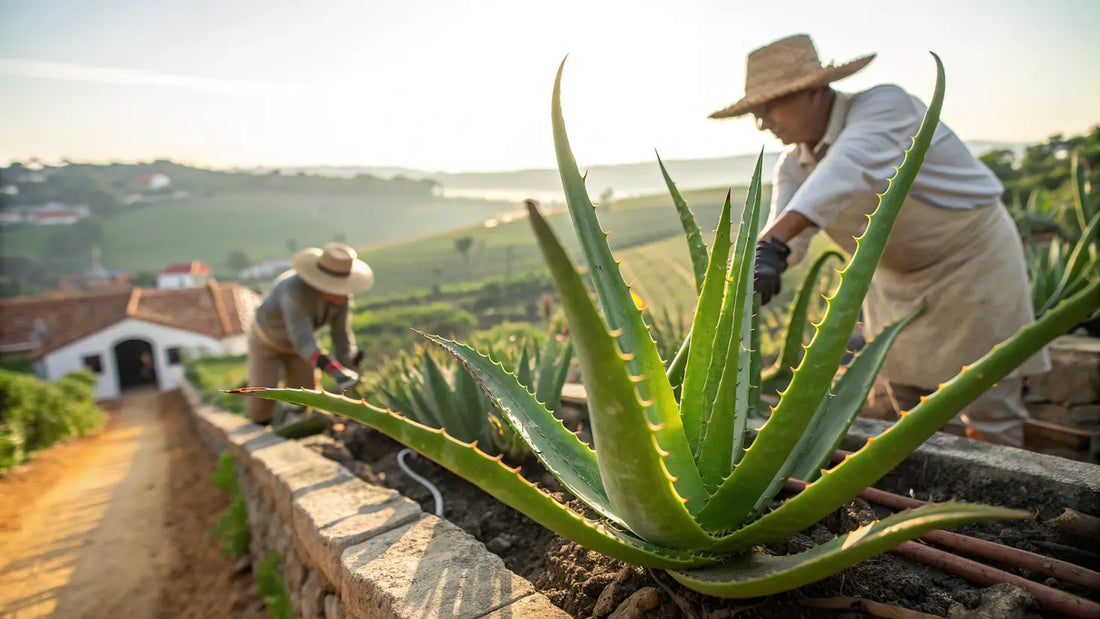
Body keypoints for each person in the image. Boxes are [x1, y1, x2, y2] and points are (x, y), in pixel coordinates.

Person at [708, 34, 1050, 447]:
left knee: (990, 399)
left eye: (770, 107)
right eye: (755, 114)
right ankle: (931, 500)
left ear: (815, 91)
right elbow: (790, 241)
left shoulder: (884, 106)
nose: (763, 123)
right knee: (908, 402)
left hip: (972, 264)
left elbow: (850, 169)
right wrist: (757, 269)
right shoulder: (794, 165)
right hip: (892, 282)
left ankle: (996, 508)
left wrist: (771, 243)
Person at [246, 242, 374, 426]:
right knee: (263, 393)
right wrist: (332, 369)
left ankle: (295, 425)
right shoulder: (293, 291)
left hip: (301, 349)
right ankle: (261, 428)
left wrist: (349, 364)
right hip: (267, 341)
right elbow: (302, 339)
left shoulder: (342, 299)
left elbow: (341, 336)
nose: (342, 292)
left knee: (305, 394)